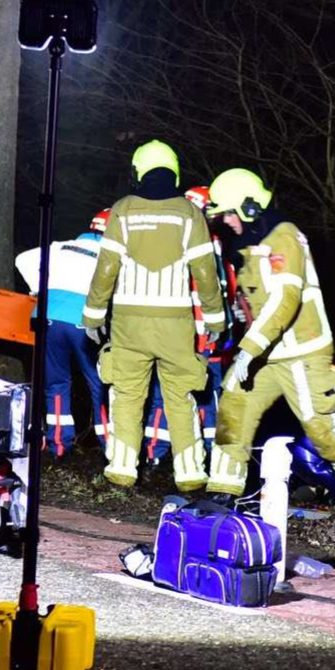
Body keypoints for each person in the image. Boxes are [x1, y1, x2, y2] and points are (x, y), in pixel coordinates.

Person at [205, 168, 335, 500]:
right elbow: (259, 303)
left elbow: (286, 299)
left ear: (249, 206)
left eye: (229, 212)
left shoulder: (283, 237)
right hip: (268, 355)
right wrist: (244, 317)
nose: (226, 220)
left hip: (302, 352)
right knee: (233, 406)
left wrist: (248, 348)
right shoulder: (251, 247)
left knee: (322, 429)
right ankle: (222, 491)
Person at [82, 140, 225, 490]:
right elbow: (206, 271)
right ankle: (190, 473)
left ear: (138, 171)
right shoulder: (190, 214)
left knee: (127, 395)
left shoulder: (122, 210)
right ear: (173, 170)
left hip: (129, 322)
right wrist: (215, 318)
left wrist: (94, 316)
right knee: (180, 395)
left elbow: (106, 269)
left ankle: (122, 469)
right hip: (176, 323)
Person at [143, 185, 229, 468]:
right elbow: (217, 289)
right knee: (206, 391)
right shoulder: (210, 242)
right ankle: (207, 453)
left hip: (168, 331)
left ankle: (156, 454)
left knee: (163, 392)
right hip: (203, 333)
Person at [15, 210, 108, 459]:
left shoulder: (61, 246)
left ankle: (57, 443)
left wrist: (38, 287)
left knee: (56, 383)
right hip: (83, 320)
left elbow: (23, 259)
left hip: (48, 316)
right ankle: (110, 445)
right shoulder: (110, 254)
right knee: (100, 383)